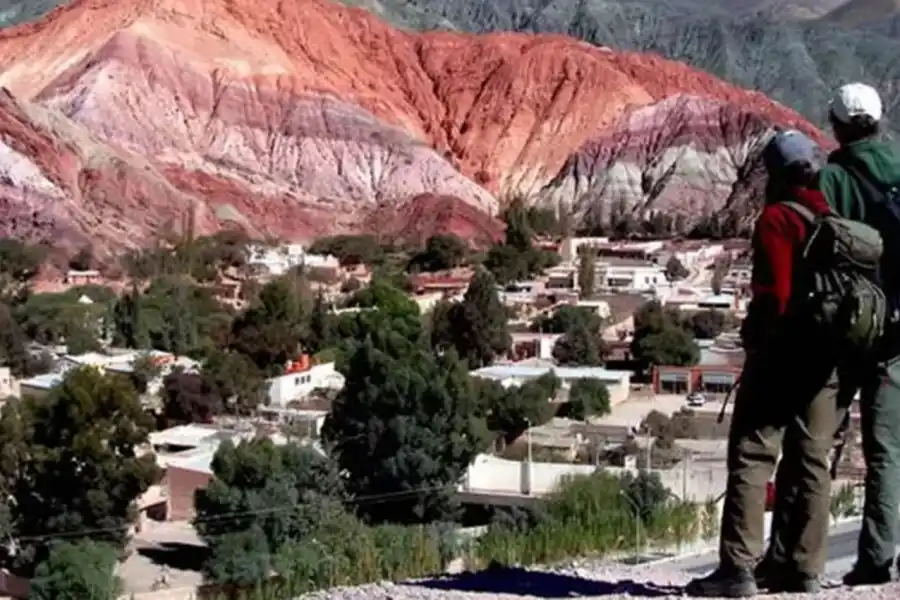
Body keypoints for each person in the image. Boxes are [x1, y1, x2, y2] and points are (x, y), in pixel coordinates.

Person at [686, 130, 844, 597]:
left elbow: (774, 294)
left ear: (775, 173)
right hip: (827, 359)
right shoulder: (831, 216)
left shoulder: (777, 219)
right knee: (812, 459)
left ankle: (738, 570)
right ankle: (804, 570)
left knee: (754, 454)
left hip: (782, 355)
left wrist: (758, 338)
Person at [818, 82, 900, 586]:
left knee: (818, 441)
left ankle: (807, 556)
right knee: (888, 447)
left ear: (839, 125)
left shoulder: (832, 178)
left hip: (845, 325)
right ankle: (878, 556)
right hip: (898, 329)